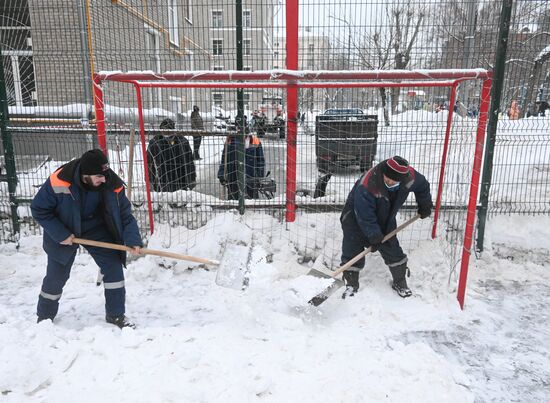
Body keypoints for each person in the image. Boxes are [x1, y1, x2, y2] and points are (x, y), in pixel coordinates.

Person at [31, 149, 142, 328]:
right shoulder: (60, 180)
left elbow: (124, 215)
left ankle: (116, 315)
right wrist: (61, 234)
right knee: (56, 275)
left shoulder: (111, 183)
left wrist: (133, 240)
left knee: (113, 267)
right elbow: (38, 209)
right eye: (99, 176)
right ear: (85, 175)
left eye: (105, 174)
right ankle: (44, 316)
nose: (104, 179)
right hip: (63, 227)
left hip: (95, 227)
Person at [339, 156, 432, 299]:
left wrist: (425, 204)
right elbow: (365, 215)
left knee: (392, 248)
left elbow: (423, 186)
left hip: (385, 217)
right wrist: (374, 236)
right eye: (387, 179)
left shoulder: (409, 177)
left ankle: (400, 282)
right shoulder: (368, 184)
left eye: (393, 181)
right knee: (352, 247)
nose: (389, 182)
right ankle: (351, 284)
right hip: (355, 217)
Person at [217, 133, 265, 200]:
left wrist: (259, 176)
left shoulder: (255, 141)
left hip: (251, 178)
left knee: (252, 202)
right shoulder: (230, 140)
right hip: (233, 178)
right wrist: (222, 174)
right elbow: (224, 160)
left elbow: (260, 160)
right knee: (233, 202)